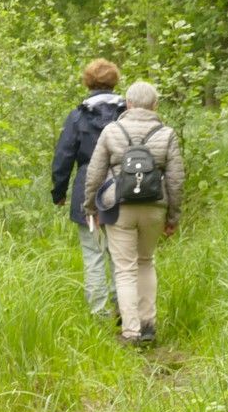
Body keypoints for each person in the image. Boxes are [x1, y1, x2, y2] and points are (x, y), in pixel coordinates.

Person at [83, 80, 184, 345]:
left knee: (124, 268)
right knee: (146, 261)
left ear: (128, 104)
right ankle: (148, 325)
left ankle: (130, 331)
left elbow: (94, 173)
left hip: (119, 208)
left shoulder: (111, 130)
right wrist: (173, 217)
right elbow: (175, 179)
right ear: (155, 105)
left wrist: (90, 207)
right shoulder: (167, 133)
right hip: (154, 208)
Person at [50, 58, 125, 316]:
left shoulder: (79, 115)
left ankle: (99, 313)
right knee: (119, 252)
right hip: (122, 189)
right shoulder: (126, 112)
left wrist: (58, 193)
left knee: (93, 254)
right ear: (114, 81)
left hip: (87, 191)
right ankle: (122, 308)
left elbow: (63, 156)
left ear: (88, 82)